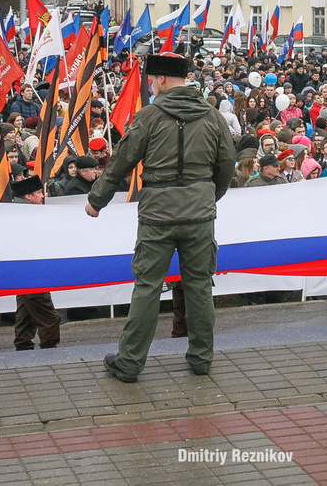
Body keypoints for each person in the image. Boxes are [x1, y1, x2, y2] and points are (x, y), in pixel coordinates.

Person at [87, 52, 237, 382]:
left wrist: (97, 200)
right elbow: (227, 163)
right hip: (199, 214)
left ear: (163, 80)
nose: (151, 87)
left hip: (157, 215)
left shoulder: (149, 116)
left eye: (152, 81)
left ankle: (129, 362)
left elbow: (121, 163)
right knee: (199, 286)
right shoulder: (212, 116)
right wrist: (209, 196)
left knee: (147, 286)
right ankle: (201, 359)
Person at [11, 175, 61, 350]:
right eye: (39, 192)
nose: (43, 196)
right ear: (28, 196)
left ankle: (23, 346)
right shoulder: (27, 217)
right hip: (34, 273)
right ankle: (50, 348)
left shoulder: (17, 214)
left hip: (23, 273)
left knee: (26, 314)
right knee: (48, 317)